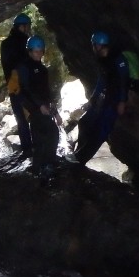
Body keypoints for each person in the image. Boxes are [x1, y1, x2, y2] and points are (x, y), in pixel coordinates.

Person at [71, 31, 130, 165]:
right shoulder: (103, 59)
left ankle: (80, 159)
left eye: (94, 45)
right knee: (84, 122)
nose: (93, 48)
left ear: (99, 45)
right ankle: (78, 152)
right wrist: (92, 98)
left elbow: (124, 82)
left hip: (115, 100)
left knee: (101, 131)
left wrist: (122, 101)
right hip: (105, 97)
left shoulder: (118, 59)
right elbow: (101, 80)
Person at [10, 35, 62, 179]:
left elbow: (47, 94)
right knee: (49, 134)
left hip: (41, 108)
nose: (38, 53)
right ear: (30, 51)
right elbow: (25, 90)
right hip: (31, 108)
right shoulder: (24, 67)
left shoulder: (43, 70)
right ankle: (44, 167)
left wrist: (55, 113)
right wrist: (38, 106)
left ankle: (39, 169)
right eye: (35, 51)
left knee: (46, 137)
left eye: (40, 51)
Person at [0, 13, 34, 158]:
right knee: (32, 116)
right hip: (24, 85)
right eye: (27, 26)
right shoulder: (26, 43)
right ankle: (33, 149)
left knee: (21, 119)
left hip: (13, 85)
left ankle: (28, 149)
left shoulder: (6, 44)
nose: (28, 29)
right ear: (22, 26)